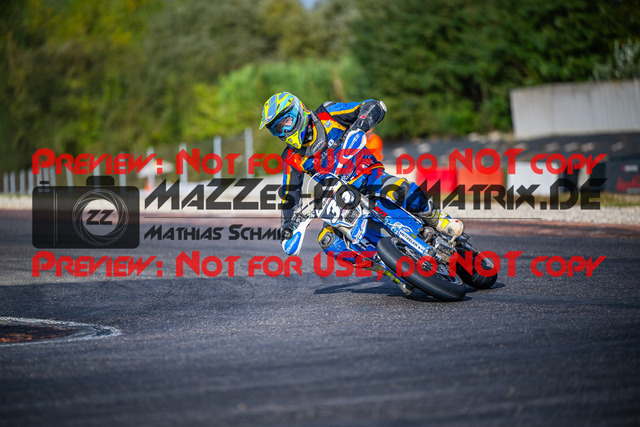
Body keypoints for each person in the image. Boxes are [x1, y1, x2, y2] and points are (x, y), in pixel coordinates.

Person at [259, 92, 463, 286]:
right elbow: (289, 194)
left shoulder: (328, 113)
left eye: (286, 122)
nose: (284, 131)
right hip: (342, 198)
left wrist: (359, 127)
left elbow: (373, 106)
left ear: (299, 111)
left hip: (369, 175)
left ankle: (437, 218)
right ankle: (387, 267)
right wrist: (287, 228)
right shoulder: (291, 157)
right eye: (277, 129)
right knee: (329, 242)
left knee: (398, 189)